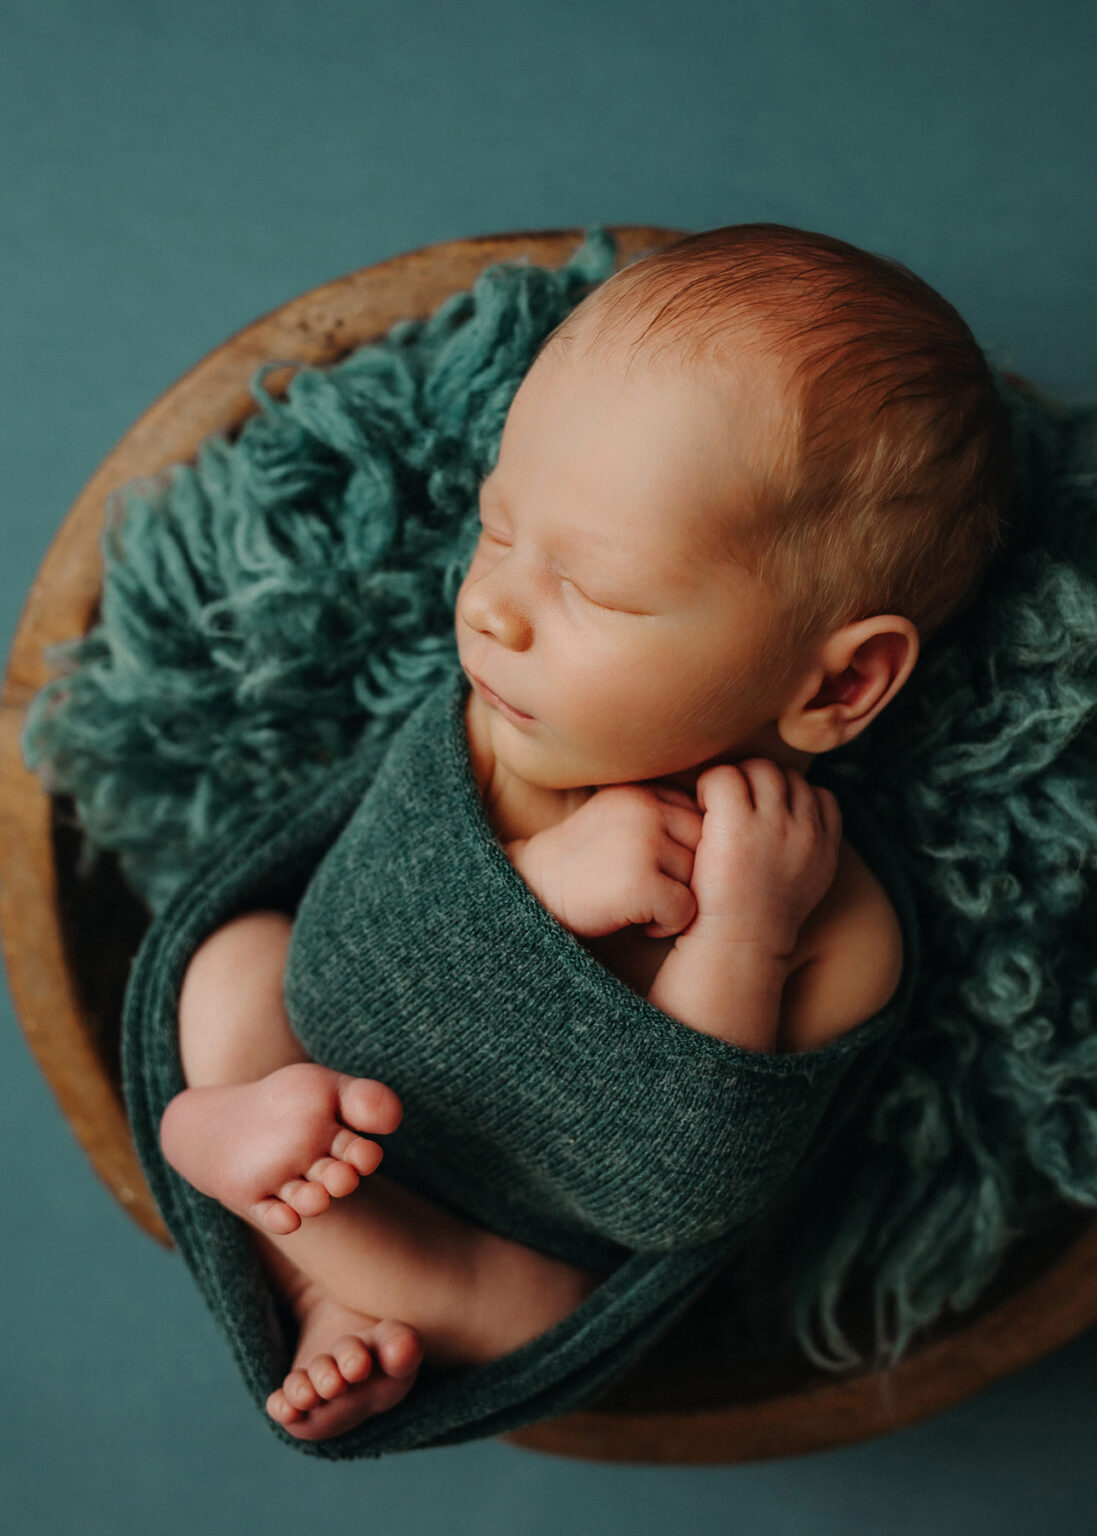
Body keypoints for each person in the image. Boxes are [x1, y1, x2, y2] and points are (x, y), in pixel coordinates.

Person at [157, 223, 1017, 1441]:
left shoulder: (829, 919)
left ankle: (310, 1254)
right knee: (236, 963)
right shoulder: (498, 737)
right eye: (497, 529)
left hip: (485, 1234)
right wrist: (538, 885)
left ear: (835, 687)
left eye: (594, 591)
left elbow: (664, 1196)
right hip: (314, 1065)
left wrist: (743, 938)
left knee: (552, 1311)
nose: (493, 606)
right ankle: (260, 1178)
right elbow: (337, 975)